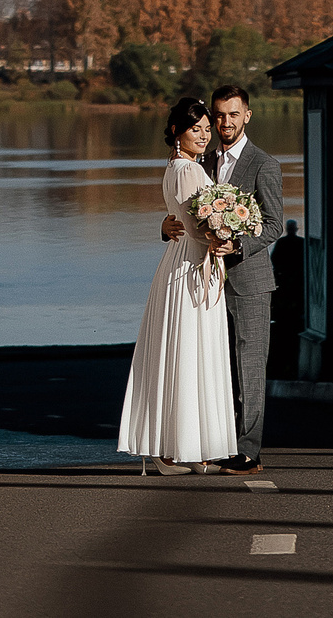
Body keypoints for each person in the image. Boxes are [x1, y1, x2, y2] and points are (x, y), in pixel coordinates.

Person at [159, 83, 282, 473]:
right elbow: (187, 211)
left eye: (233, 114)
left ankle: (248, 450)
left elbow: (275, 224)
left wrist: (239, 246)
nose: (225, 122)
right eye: (219, 115)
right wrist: (166, 227)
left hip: (248, 280)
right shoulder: (201, 161)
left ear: (247, 115)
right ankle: (217, 441)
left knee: (249, 366)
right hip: (203, 282)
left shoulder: (264, 164)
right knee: (214, 365)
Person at [116, 96, 239, 473]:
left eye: (206, 129)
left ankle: (192, 448)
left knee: (188, 353)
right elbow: (194, 225)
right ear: (176, 132)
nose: (203, 135)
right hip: (189, 265)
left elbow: (181, 220)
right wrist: (223, 237)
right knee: (188, 352)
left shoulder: (178, 166)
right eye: (194, 129)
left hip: (183, 261)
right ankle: (172, 451)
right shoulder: (187, 170)